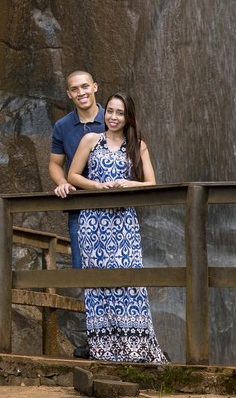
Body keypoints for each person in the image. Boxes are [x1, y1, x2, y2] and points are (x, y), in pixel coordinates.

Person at [67, 92, 168, 362]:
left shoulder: (138, 146)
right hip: (93, 222)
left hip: (123, 222)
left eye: (119, 113)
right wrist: (96, 186)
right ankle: (104, 348)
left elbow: (152, 184)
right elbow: (73, 175)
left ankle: (135, 347)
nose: (113, 117)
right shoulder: (91, 140)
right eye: (110, 111)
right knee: (97, 281)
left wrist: (129, 184)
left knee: (128, 279)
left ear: (128, 117)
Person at [49, 70, 104, 358]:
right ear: (68, 94)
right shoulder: (63, 126)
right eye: (75, 89)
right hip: (80, 209)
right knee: (85, 272)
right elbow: (55, 164)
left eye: (85, 86)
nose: (81, 92)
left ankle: (123, 334)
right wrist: (63, 183)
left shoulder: (113, 117)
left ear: (95, 87)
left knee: (117, 270)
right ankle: (96, 340)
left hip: (113, 208)